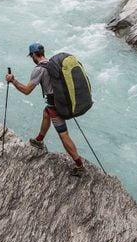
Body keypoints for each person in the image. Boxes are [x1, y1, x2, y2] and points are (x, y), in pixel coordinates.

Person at [5, 42, 85, 176]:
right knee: (46, 113)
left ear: (33, 55)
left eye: (31, 56)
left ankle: (79, 165)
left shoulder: (39, 69)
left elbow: (26, 90)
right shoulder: (53, 63)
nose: (31, 58)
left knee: (64, 136)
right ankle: (39, 140)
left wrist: (13, 80)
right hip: (63, 103)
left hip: (56, 106)